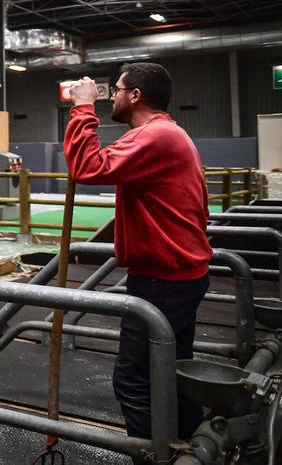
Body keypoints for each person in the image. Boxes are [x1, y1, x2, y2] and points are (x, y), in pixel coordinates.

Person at [63, 63, 212, 450]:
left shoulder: (155, 136)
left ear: (135, 96)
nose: (111, 95)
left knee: (135, 380)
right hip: (174, 273)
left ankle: (155, 457)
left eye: (116, 89)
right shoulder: (166, 134)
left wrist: (82, 108)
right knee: (171, 372)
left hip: (163, 280)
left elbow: (86, 167)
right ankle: (188, 446)